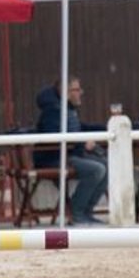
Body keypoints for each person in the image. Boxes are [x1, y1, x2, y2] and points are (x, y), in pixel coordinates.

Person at [33, 76, 107, 226]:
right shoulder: (53, 111)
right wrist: (82, 144)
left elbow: (79, 128)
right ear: (65, 91)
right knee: (96, 169)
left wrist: (105, 128)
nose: (81, 93)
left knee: (107, 166)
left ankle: (86, 212)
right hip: (54, 158)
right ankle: (77, 212)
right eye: (76, 89)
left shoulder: (68, 109)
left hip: (70, 155)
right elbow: (55, 137)